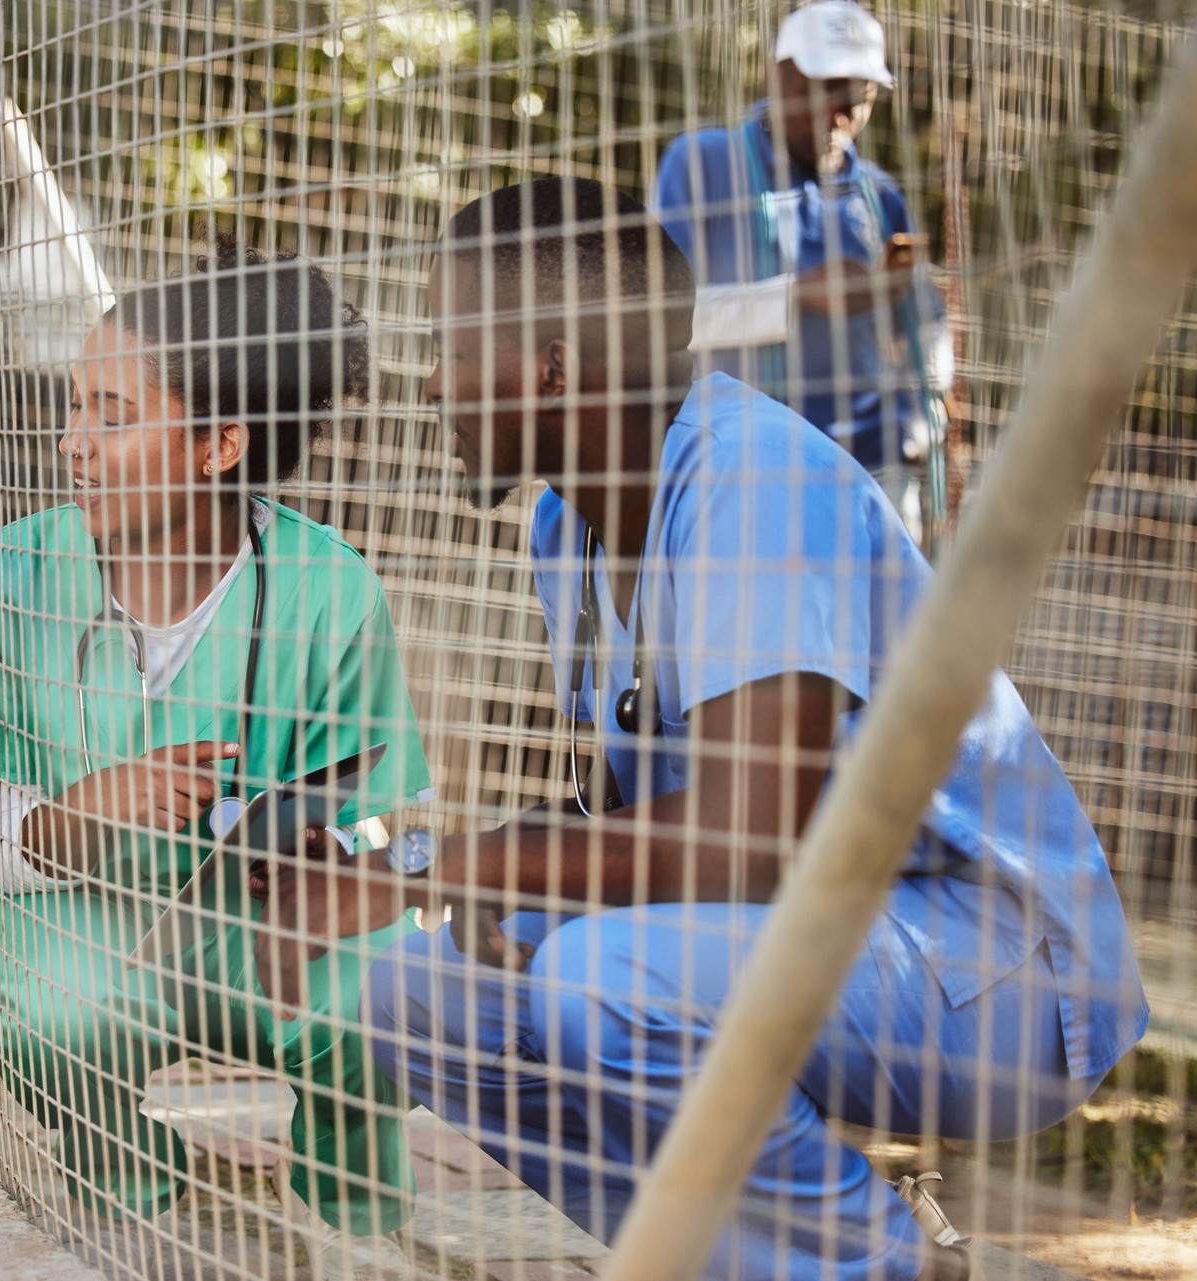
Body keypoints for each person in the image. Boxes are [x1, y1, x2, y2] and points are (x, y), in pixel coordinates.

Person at [255, 179, 1147, 1280]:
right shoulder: (562, 525)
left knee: (599, 977)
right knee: (416, 992)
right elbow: (635, 815)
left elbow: (742, 843)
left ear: (551, 367)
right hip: (826, 941)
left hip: (1001, 976)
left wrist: (460, 868)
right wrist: (425, 867)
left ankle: (886, 1268)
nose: (433, 382)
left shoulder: (753, 481)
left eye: (451, 345)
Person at [0, 236, 435, 1266]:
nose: (74, 442)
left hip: (252, 921)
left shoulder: (330, 589)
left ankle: (348, 1198)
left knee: (388, 978)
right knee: (41, 1006)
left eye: (112, 416)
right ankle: (128, 1183)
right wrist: (89, 810)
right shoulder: (12, 578)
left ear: (221, 445)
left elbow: (389, 814)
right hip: (71, 912)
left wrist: (334, 862)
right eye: (77, 405)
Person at [650, 0, 951, 540]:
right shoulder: (704, 164)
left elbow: (926, 323)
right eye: (824, 88)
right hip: (744, 466)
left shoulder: (878, 194)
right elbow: (659, 317)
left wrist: (920, 418)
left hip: (869, 467)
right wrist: (797, 298)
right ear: (778, 79)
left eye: (857, 95)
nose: (840, 113)